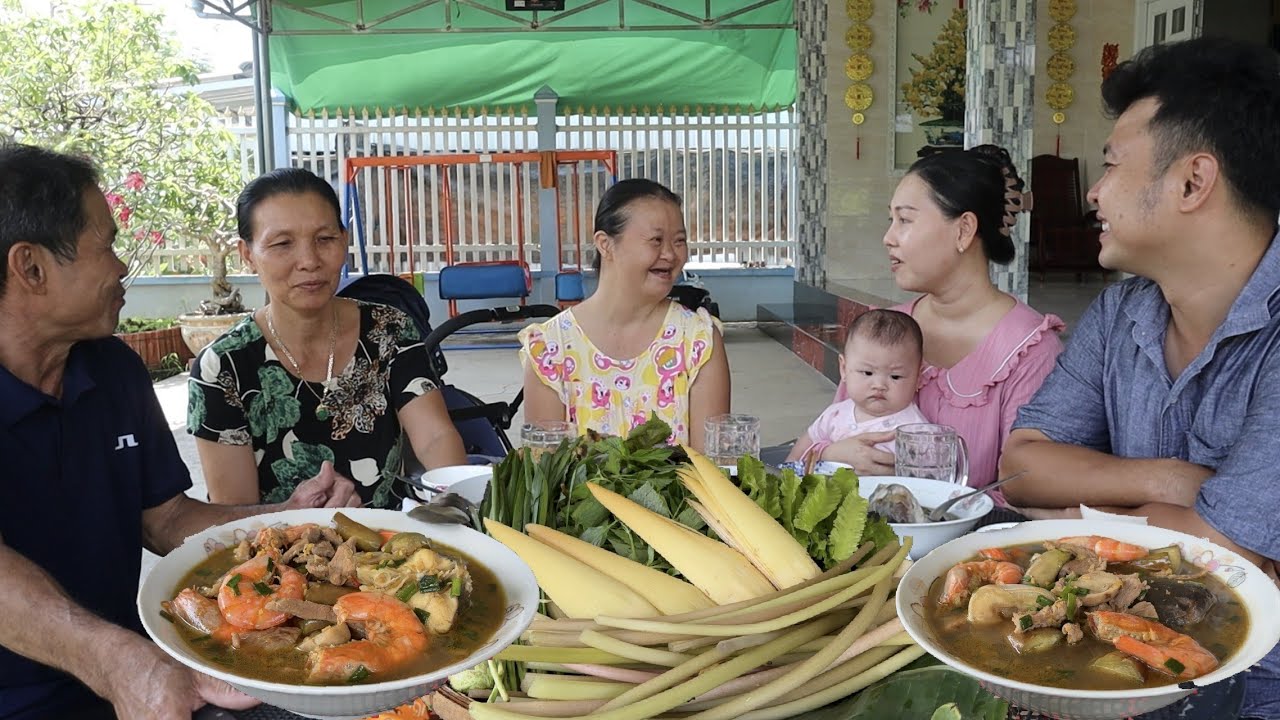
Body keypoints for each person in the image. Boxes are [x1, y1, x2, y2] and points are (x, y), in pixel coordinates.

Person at [0, 144, 361, 720]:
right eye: (107, 246)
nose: (122, 268)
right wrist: (117, 662)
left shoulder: (112, 369)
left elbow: (165, 518)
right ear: (32, 268)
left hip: (137, 674)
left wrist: (285, 518)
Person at [1000, 37, 1280, 719]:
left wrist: (1063, 519)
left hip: (1256, 684)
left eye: (1111, 164)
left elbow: (1225, 551)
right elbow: (1022, 466)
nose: (1093, 192)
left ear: (1192, 181)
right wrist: (1168, 483)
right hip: (1112, 659)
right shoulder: (1122, 310)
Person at [188, 168, 468, 510]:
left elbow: (435, 436)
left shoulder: (389, 329)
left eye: (325, 239)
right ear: (247, 255)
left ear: (344, 241)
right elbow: (234, 511)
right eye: (282, 244)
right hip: (280, 554)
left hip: (396, 547)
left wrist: (455, 504)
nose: (309, 261)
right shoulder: (222, 366)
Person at [816, 145, 1064, 490]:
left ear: (963, 230)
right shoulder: (884, 329)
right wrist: (830, 455)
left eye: (904, 220)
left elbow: (1024, 488)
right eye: (892, 220)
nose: (888, 238)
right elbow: (830, 433)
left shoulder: (1029, 351)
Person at [519, 178, 730, 450]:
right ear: (605, 245)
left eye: (679, 241)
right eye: (656, 240)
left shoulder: (698, 340)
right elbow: (545, 474)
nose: (670, 254)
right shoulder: (550, 348)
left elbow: (710, 471)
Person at [787, 309, 928, 463]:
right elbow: (798, 456)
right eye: (867, 373)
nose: (879, 385)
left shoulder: (917, 432)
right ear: (844, 368)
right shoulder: (835, 415)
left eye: (895, 376)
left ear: (918, 378)